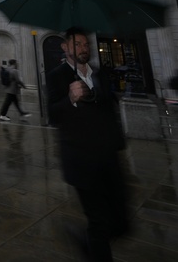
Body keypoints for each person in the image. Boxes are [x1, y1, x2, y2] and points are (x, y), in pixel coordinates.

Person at [47, 27, 128, 262]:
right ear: (66, 48)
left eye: (86, 44)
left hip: (108, 157)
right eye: (78, 44)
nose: (83, 49)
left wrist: (117, 144)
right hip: (81, 160)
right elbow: (53, 114)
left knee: (122, 222)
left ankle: (87, 241)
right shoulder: (58, 76)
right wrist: (70, 100)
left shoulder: (101, 75)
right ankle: (95, 248)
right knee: (99, 220)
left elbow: (109, 112)